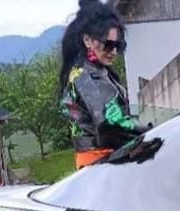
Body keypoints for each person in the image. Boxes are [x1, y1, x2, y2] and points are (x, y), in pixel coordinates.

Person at [59, 0, 148, 170]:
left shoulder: (94, 72)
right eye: (108, 44)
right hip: (100, 167)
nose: (113, 51)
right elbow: (111, 126)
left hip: (101, 165)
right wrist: (155, 132)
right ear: (87, 40)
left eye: (118, 45)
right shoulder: (88, 78)